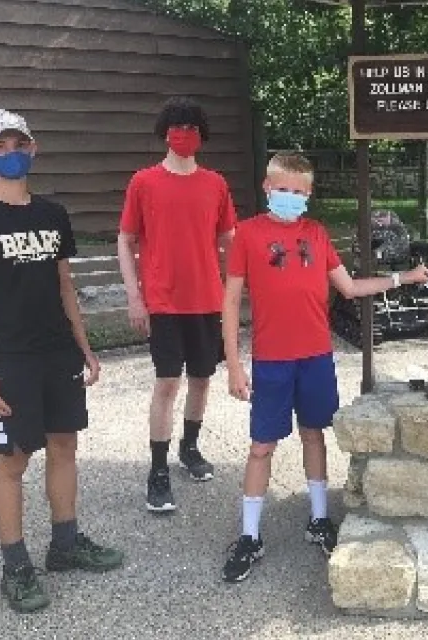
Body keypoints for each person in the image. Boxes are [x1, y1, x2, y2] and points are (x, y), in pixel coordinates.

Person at [219, 153, 428, 583]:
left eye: (299, 192)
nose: (291, 197)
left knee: (314, 435)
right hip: (272, 360)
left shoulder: (315, 233)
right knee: (262, 445)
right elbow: (229, 301)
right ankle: (249, 535)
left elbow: (350, 287)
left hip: (316, 356)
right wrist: (234, 365)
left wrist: (403, 278)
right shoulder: (249, 234)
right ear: (267, 187)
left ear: (309, 195)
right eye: (283, 189)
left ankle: (319, 520)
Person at [0, 109, 124, 614]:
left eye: (17, 143)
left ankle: (65, 545)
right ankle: (16, 566)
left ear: (33, 147)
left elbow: (65, 286)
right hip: (9, 358)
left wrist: (83, 345)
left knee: (64, 445)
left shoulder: (52, 215)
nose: (9, 153)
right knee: (13, 459)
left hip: (57, 353)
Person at [117, 96, 237, 513]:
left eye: (191, 127)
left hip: (206, 299)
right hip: (163, 300)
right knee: (167, 383)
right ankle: (158, 470)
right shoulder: (144, 182)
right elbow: (126, 239)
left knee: (202, 379)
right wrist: (135, 295)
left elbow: (229, 239)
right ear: (164, 133)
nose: (184, 134)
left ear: (202, 136)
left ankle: (190, 447)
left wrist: (239, 287)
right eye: (177, 126)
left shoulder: (216, 184)